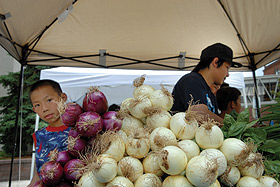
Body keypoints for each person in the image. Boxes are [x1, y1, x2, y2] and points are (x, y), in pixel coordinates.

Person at [171, 43, 242, 125]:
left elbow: (212, 117)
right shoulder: (192, 80)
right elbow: (199, 114)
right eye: (227, 67)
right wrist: (233, 127)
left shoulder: (208, 91)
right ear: (216, 62)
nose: (227, 74)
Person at [28, 79, 70, 186]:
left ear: (63, 98)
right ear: (34, 110)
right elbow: (38, 173)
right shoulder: (38, 136)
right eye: (37, 105)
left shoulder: (79, 129)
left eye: (49, 100)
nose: (44, 108)